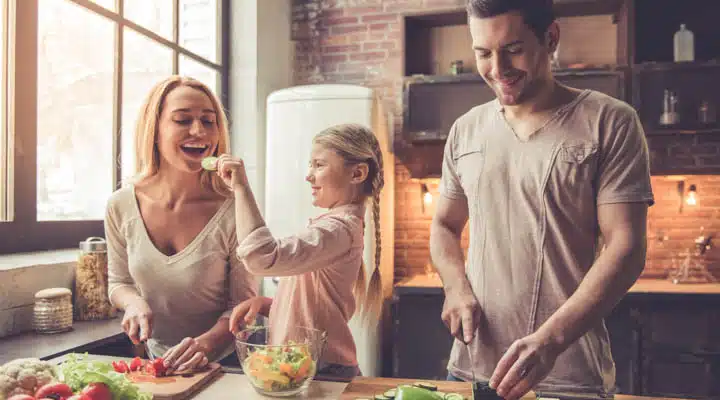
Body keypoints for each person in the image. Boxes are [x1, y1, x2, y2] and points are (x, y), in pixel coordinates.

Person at [429, 0, 654, 399]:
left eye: (513, 48)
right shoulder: (466, 130)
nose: (497, 69)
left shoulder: (610, 122)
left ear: (550, 38)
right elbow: (444, 224)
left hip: (569, 373)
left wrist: (549, 341)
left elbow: (627, 247)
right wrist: (455, 286)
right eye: (483, 53)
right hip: (473, 369)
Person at [105, 76, 259, 373]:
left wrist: (206, 345)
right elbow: (119, 283)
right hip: (158, 363)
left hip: (227, 364)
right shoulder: (120, 205)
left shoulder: (232, 208)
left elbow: (243, 306)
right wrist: (134, 303)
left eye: (209, 121)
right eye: (182, 120)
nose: (199, 131)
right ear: (154, 131)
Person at [218, 123, 384, 380]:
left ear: (357, 174)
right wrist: (267, 305)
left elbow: (261, 257)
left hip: (323, 372)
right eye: (311, 164)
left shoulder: (339, 229)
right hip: (311, 367)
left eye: (319, 165)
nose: (309, 175)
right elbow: (316, 306)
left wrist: (241, 188)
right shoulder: (337, 227)